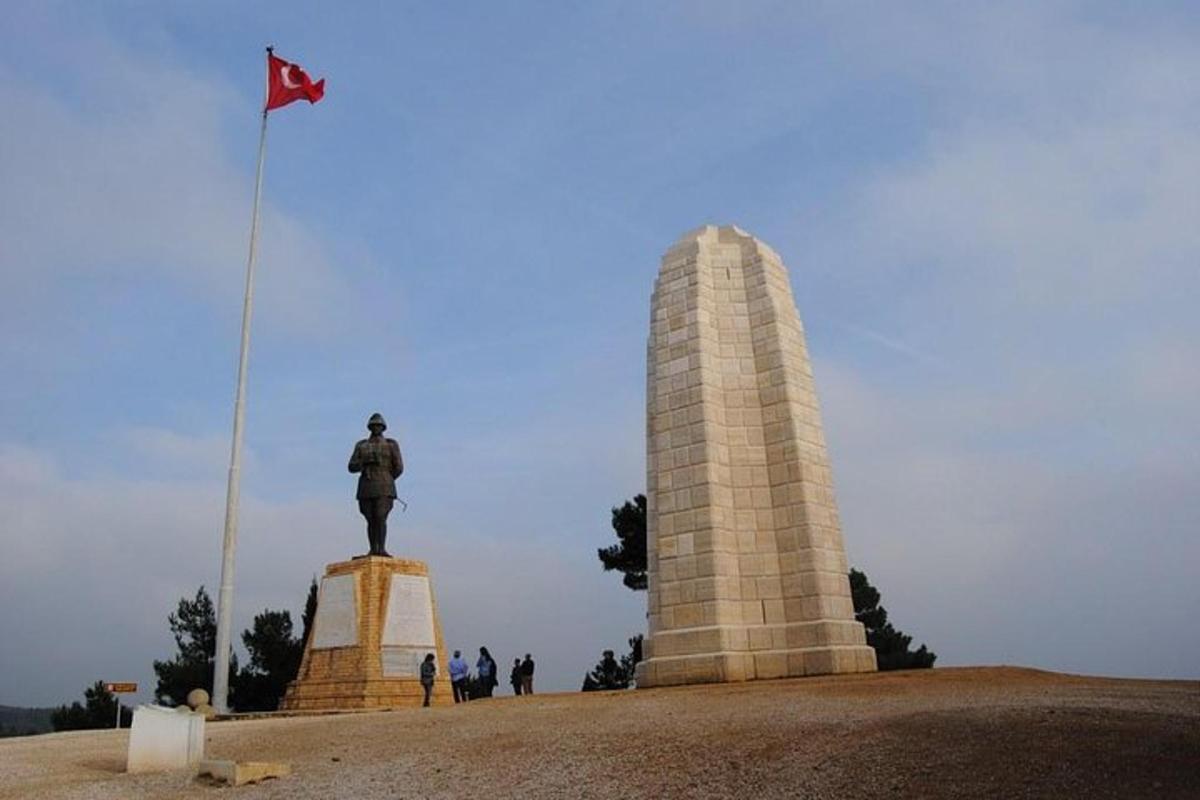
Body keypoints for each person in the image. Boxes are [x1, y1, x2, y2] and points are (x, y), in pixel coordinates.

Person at [347, 412, 404, 557]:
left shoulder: (391, 444)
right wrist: (364, 463)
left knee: (380, 516)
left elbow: (399, 467)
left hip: (384, 485)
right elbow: (351, 466)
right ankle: (373, 549)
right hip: (366, 485)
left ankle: (381, 549)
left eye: (378, 425)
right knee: (370, 518)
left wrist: (387, 478)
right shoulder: (361, 445)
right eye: (373, 425)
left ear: (383, 427)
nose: (376, 428)